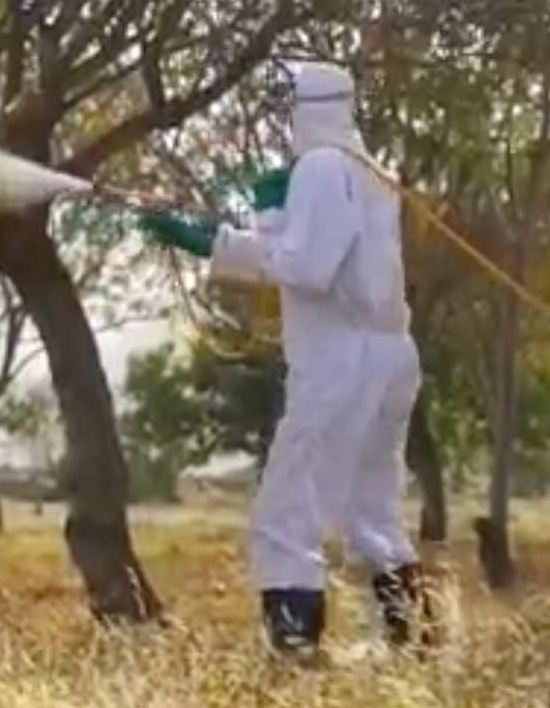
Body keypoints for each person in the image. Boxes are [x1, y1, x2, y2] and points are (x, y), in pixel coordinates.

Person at [136, 60, 434, 661]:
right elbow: (314, 249)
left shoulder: (324, 168)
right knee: (369, 504)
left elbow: (307, 268)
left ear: (311, 108)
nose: (281, 119)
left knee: (288, 507)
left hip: (339, 359)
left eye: (287, 107)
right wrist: (264, 218)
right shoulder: (370, 169)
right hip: (390, 354)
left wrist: (210, 242)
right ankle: (411, 641)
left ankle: (295, 646)